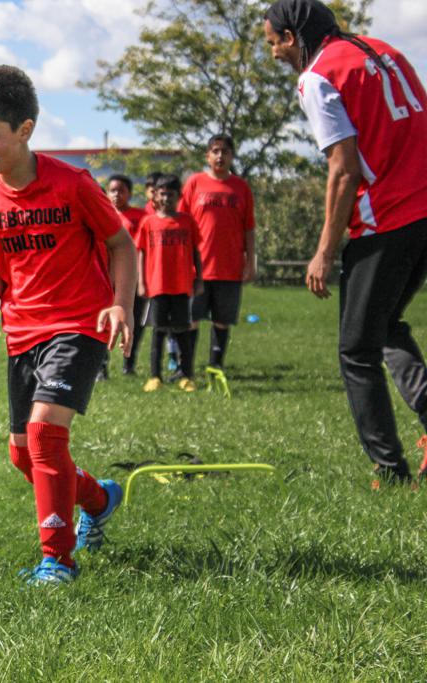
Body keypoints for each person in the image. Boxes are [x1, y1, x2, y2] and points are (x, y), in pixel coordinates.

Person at [0, 65, 137, 585]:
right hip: (22, 336)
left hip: (79, 325)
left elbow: (121, 245)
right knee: (23, 456)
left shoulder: (73, 185)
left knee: (44, 434)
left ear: (25, 129)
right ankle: (99, 499)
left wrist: (121, 305)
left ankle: (57, 560)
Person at [264, 0, 427, 485]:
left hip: (387, 221)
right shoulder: (386, 52)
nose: (273, 53)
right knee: (385, 325)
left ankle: (390, 470)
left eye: (273, 43)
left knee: (356, 350)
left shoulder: (318, 76)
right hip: (424, 211)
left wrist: (323, 251)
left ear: (292, 37)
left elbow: (343, 169)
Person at [178, 134, 256, 379]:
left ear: (232, 156)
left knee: (222, 320)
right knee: (190, 319)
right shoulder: (194, 183)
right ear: (207, 155)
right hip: (196, 267)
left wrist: (251, 262)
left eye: (225, 151)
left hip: (230, 267)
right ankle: (186, 370)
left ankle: (215, 366)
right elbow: (180, 223)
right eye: (215, 151)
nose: (220, 156)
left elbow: (249, 228)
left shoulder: (241, 188)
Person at [136, 174, 204, 392]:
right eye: (162, 194)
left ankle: (186, 375)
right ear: (155, 195)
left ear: (179, 196)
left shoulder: (187, 221)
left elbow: (196, 252)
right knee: (158, 332)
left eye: (171, 194)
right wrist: (141, 282)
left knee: (183, 331)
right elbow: (141, 253)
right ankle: (155, 376)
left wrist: (199, 279)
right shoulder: (148, 222)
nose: (166, 199)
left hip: (182, 285)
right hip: (157, 286)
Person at [107, 174, 148, 375]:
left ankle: (129, 363)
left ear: (130, 193)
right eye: (113, 190)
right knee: (104, 322)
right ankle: (101, 366)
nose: (116, 194)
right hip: (107, 278)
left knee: (136, 322)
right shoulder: (102, 214)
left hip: (134, 278)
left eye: (121, 190)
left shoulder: (141, 217)